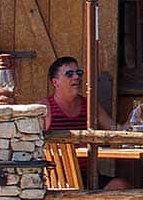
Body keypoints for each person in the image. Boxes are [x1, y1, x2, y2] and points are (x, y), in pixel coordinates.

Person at [44, 57, 130, 190]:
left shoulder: (90, 105)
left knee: (122, 186)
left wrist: (134, 118)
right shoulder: (45, 109)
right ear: (55, 82)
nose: (76, 77)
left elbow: (115, 131)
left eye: (79, 73)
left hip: (88, 176)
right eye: (69, 74)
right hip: (58, 179)